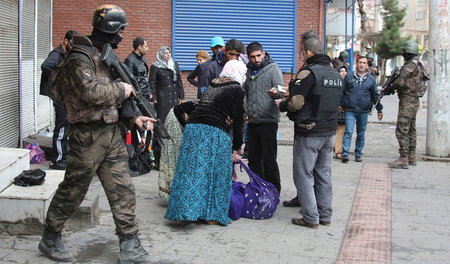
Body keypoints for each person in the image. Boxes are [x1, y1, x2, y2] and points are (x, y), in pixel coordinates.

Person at [38, 5, 158, 263]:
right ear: (111, 29)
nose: (122, 36)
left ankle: (129, 244)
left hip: (112, 134)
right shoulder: (80, 56)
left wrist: (134, 117)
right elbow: (88, 92)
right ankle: (50, 238)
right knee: (73, 191)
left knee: (123, 190)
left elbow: (116, 101)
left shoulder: (105, 54)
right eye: (121, 30)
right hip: (87, 138)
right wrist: (120, 89)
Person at [165, 59, 247, 226]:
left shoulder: (214, 84)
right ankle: (211, 216)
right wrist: (237, 146)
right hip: (213, 132)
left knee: (191, 173)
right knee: (217, 174)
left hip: (193, 129)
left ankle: (184, 212)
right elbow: (238, 120)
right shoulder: (236, 89)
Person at [274, 33, 342, 228]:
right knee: (324, 174)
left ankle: (310, 217)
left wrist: (281, 104)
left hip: (309, 131)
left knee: (304, 174)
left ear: (308, 52)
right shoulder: (335, 74)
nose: (301, 55)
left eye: (302, 52)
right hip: (329, 132)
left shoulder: (308, 73)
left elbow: (297, 102)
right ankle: (325, 214)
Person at [244, 42, 284, 193]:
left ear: (264, 53)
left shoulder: (273, 69)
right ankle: (258, 188)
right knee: (254, 159)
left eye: (258, 55)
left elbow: (282, 92)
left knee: (269, 159)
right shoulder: (248, 71)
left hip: (269, 121)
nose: (256, 59)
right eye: (252, 57)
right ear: (248, 57)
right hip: (253, 121)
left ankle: (274, 190)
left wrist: (276, 94)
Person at [40, 30, 78, 170]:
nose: (74, 47)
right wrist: (59, 79)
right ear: (66, 41)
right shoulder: (56, 54)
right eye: (72, 43)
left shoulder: (68, 55)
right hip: (59, 96)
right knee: (61, 127)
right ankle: (57, 160)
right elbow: (45, 66)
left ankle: (64, 156)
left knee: (66, 126)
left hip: (65, 96)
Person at [388, 40, 429, 169]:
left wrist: (390, 87)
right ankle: (412, 156)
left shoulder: (409, 66)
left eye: (404, 52)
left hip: (407, 99)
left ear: (408, 52)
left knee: (402, 129)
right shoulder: (420, 64)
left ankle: (403, 158)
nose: (403, 54)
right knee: (411, 128)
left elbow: (400, 83)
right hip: (415, 100)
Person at [340, 56, 383, 163]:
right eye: (360, 62)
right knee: (348, 131)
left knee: (361, 133)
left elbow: (375, 96)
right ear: (357, 64)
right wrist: (341, 104)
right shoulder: (349, 77)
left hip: (364, 110)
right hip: (350, 109)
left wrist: (379, 109)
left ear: (367, 65)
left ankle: (358, 153)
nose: (362, 64)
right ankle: (345, 153)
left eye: (364, 63)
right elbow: (342, 92)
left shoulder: (371, 80)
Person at [149, 46, 185, 170]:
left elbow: (179, 80)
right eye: (165, 53)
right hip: (162, 99)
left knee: (174, 126)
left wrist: (181, 95)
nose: (168, 54)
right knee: (161, 127)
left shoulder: (174, 64)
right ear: (161, 54)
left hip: (173, 98)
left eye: (169, 52)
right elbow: (152, 82)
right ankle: (159, 161)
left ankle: (173, 159)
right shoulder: (155, 66)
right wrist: (153, 96)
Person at [124, 37, 152, 176]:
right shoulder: (130, 60)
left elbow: (144, 80)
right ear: (139, 46)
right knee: (134, 132)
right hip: (134, 101)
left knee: (145, 130)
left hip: (143, 100)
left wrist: (149, 93)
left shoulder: (143, 61)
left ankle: (143, 159)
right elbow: (128, 81)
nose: (147, 48)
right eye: (146, 45)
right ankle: (133, 162)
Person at [334, 64, 347, 159]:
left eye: (345, 71)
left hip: (345, 108)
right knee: (338, 130)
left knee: (341, 130)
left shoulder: (348, 82)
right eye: (341, 71)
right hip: (335, 108)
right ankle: (337, 150)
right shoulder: (335, 82)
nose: (344, 73)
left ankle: (339, 149)